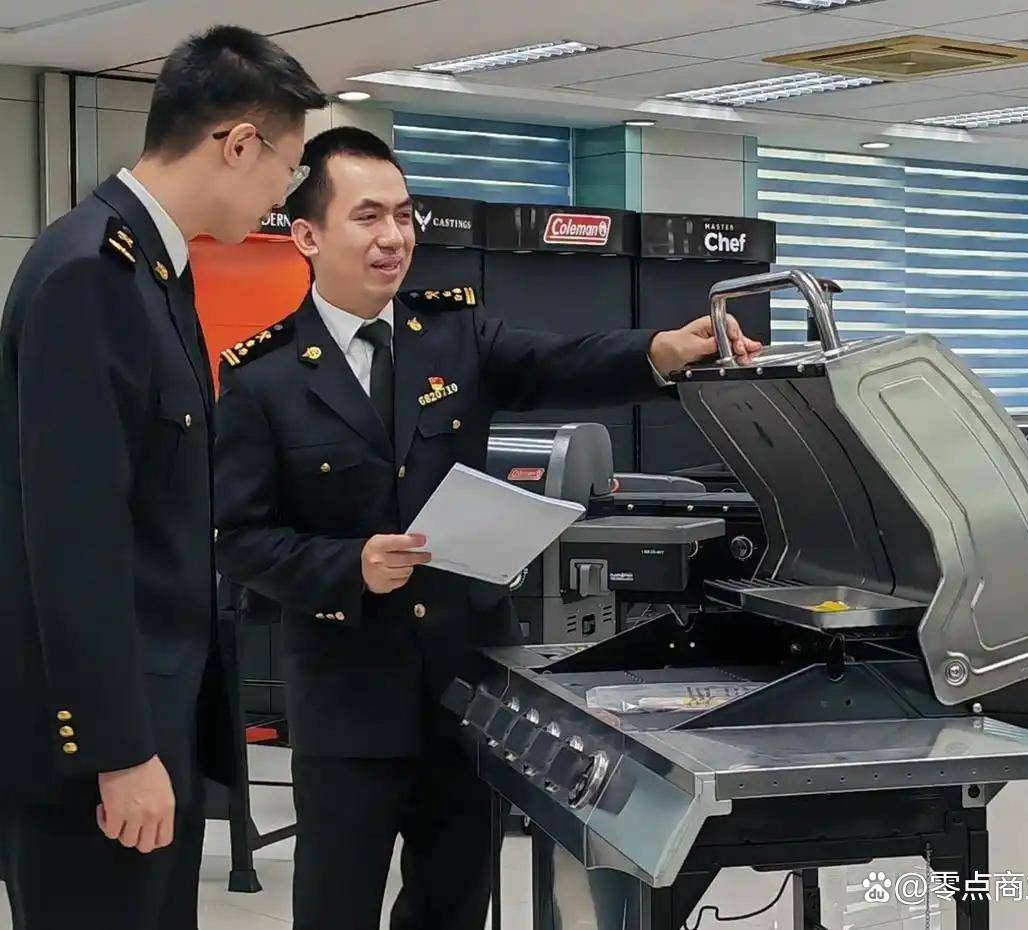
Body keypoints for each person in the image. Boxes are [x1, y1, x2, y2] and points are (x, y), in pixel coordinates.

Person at [213, 126, 762, 930]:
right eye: (367, 217)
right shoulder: (263, 379)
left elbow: (562, 362)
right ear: (307, 235)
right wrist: (348, 565)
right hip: (347, 697)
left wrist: (664, 349)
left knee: (456, 904)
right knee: (336, 907)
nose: (394, 237)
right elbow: (237, 538)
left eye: (403, 215)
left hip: (467, 684)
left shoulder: (453, 334)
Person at [0, 25, 326, 930]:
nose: (284, 195)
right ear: (239, 144)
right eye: (289, 167)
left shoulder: (152, 269)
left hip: (148, 722)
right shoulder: (92, 274)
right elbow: (76, 538)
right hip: (93, 750)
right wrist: (116, 751)